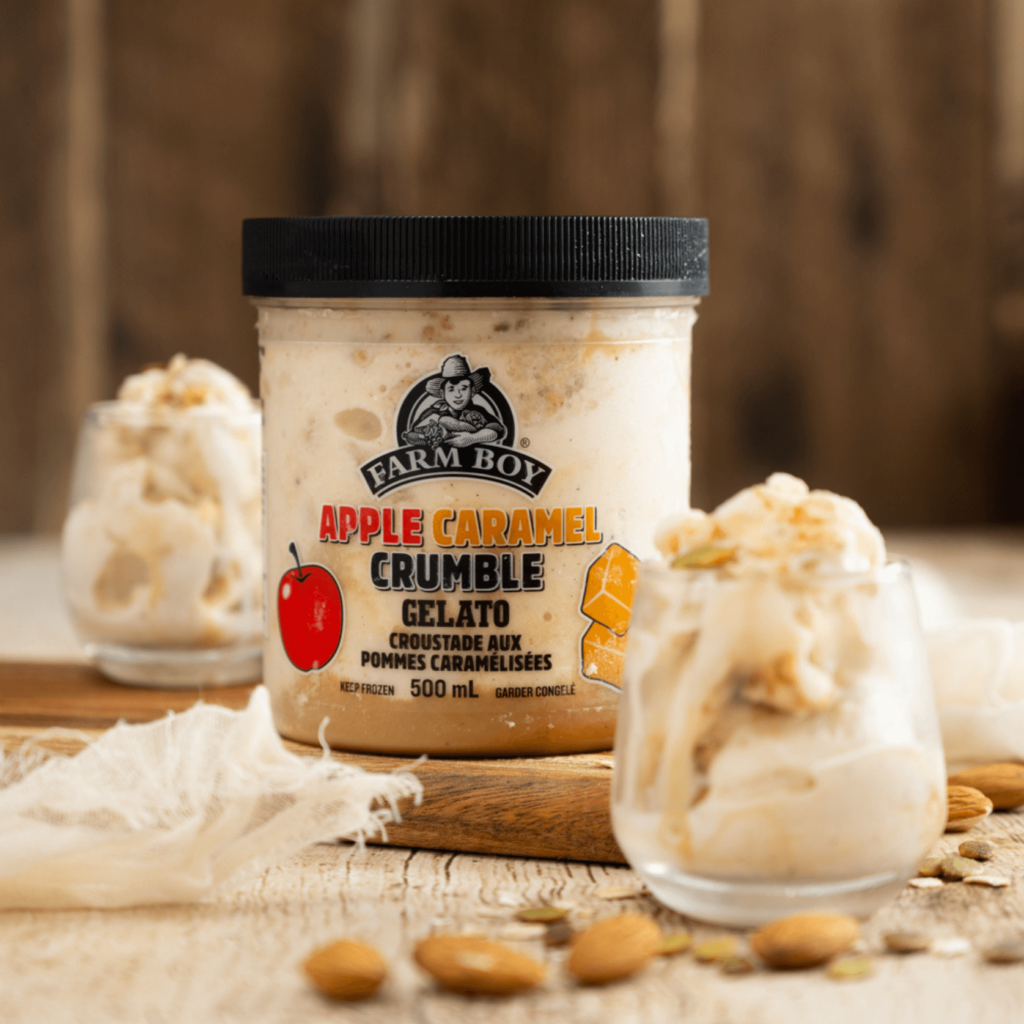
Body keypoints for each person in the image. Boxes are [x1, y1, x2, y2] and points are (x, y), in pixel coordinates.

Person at [403, 354, 506, 448]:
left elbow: (498, 430)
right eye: (451, 389)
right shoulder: (434, 412)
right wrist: (437, 428)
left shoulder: (478, 412)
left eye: (464, 388)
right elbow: (414, 433)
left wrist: (472, 438)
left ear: (472, 391)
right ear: (443, 394)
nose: (458, 395)